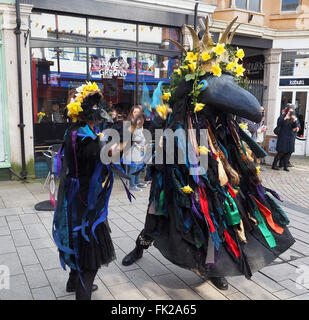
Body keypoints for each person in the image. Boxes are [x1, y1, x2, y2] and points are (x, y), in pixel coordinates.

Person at [122, 19, 295, 291]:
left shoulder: (219, 100)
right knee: (158, 210)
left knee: (216, 215)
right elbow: (171, 131)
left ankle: (216, 268)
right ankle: (140, 247)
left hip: (214, 165)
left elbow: (247, 110)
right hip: (179, 165)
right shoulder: (185, 97)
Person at [53, 82, 116, 300]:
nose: (99, 118)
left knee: (75, 237)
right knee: (90, 261)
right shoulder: (89, 141)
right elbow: (108, 161)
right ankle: (81, 289)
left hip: (72, 197)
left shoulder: (71, 132)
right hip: (87, 201)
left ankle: (72, 282)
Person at [124, 105, 147, 192]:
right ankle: (132, 185)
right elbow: (128, 137)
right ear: (132, 113)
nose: (136, 113)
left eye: (138, 112)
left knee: (139, 166)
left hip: (141, 147)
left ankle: (137, 182)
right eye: (135, 112)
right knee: (134, 167)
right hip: (133, 147)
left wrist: (144, 144)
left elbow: (141, 134)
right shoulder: (129, 123)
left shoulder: (140, 121)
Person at [272, 104, 300, 171]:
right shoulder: (282, 116)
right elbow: (279, 124)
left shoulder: (294, 117)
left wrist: (295, 121)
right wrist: (285, 118)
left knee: (289, 152)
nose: (291, 113)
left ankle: (285, 166)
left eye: (292, 111)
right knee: (281, 151)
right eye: (290, 111)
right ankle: (274, 165)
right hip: (283, 136)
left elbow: (296, 125)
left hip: (291, 137)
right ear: (287, 111)